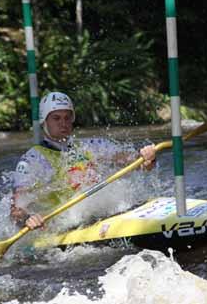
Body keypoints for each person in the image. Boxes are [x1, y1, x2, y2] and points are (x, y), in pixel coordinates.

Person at [10, 91, 157, 230]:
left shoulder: (90, 146)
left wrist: (146, 158)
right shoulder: (32, 160)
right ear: (44, 121)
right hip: (63, 225)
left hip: (98, 215)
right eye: (56, 118)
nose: (63, 123)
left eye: (67, 117)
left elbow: (136, 163)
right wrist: (28, 218)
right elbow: (16, 210)